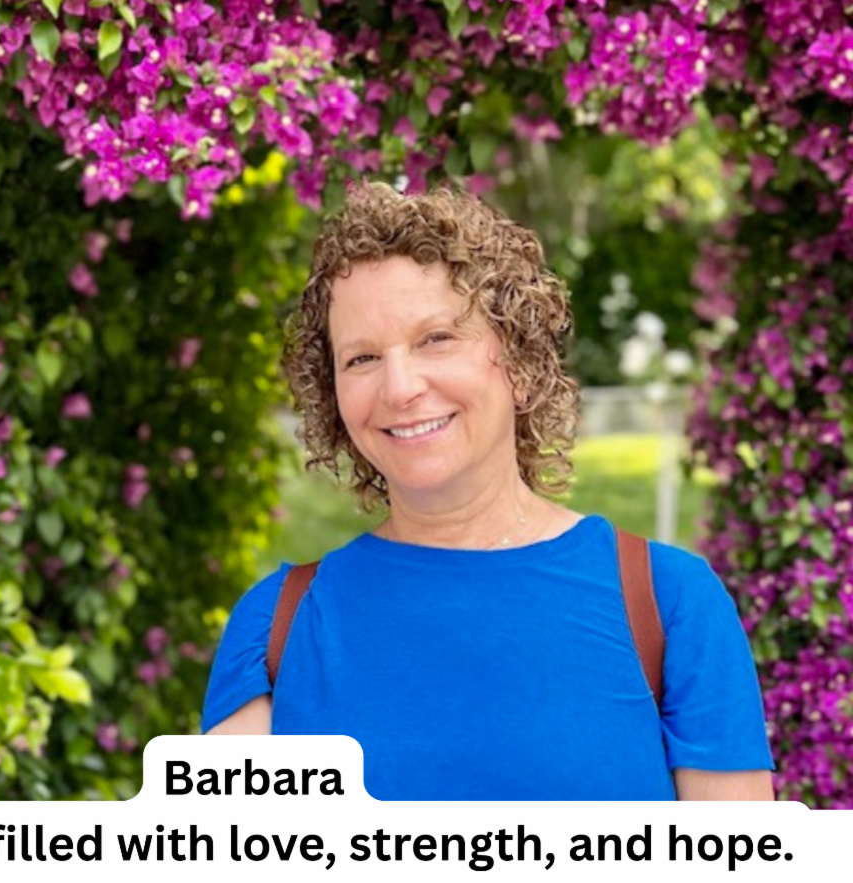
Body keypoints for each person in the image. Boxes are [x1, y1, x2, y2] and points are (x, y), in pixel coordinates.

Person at [201, 183, 774, 801]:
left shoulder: (671, 603)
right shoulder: (273, 629)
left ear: (520, 364)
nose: (400, 387)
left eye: (436, 339)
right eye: (362, 358)